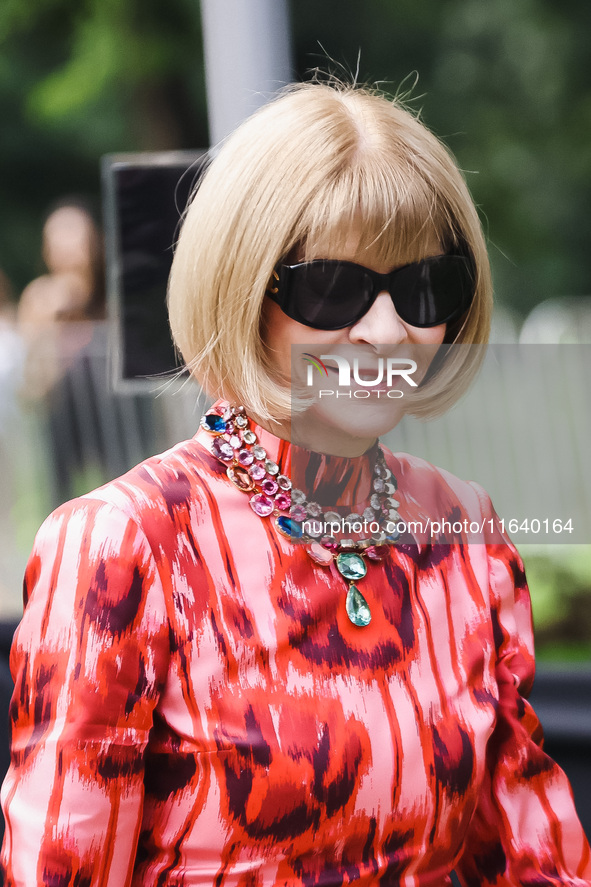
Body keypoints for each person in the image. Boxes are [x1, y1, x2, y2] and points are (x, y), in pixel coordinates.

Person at [2, 81, 590, 886]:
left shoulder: (463, 526)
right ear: (241, 288)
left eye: (426, 287)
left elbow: (536, 855)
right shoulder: (126, 542)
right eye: (333, 287)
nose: (387, 330)